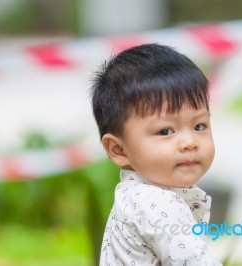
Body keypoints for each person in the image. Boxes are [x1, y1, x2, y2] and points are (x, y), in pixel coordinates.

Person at [90, 43, 221, 265]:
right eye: (165, 131)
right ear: (118, 150)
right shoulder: (156, 203)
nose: (189, 142)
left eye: (199, 126)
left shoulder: (137, 195)